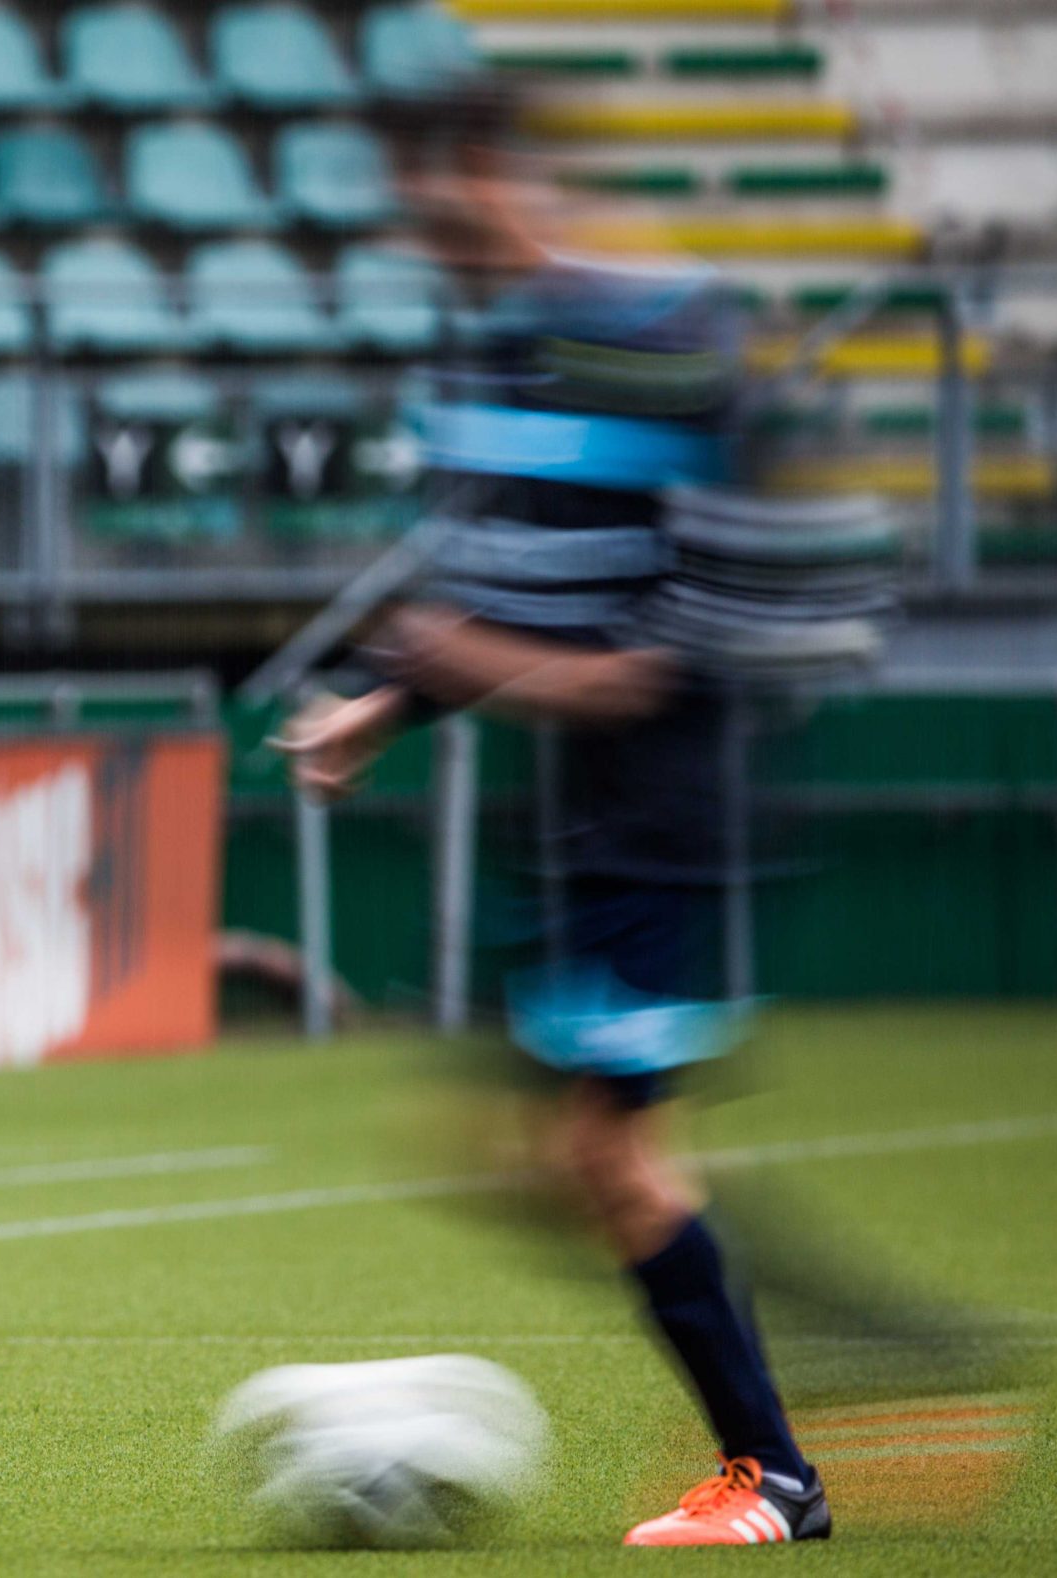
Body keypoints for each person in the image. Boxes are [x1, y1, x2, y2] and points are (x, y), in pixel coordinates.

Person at [277, 154, 828, 1546]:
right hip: (593, 824)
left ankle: (771, 1469)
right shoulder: (531, 367)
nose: (445, 252)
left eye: (455, 220)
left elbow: (624, 671)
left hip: (655, 821)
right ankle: (777, 1415)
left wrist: (439, 662)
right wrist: (391, 701)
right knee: (544, 1152)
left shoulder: (639, 369)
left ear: (506, 193)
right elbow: (529, 607)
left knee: (603, 1151)